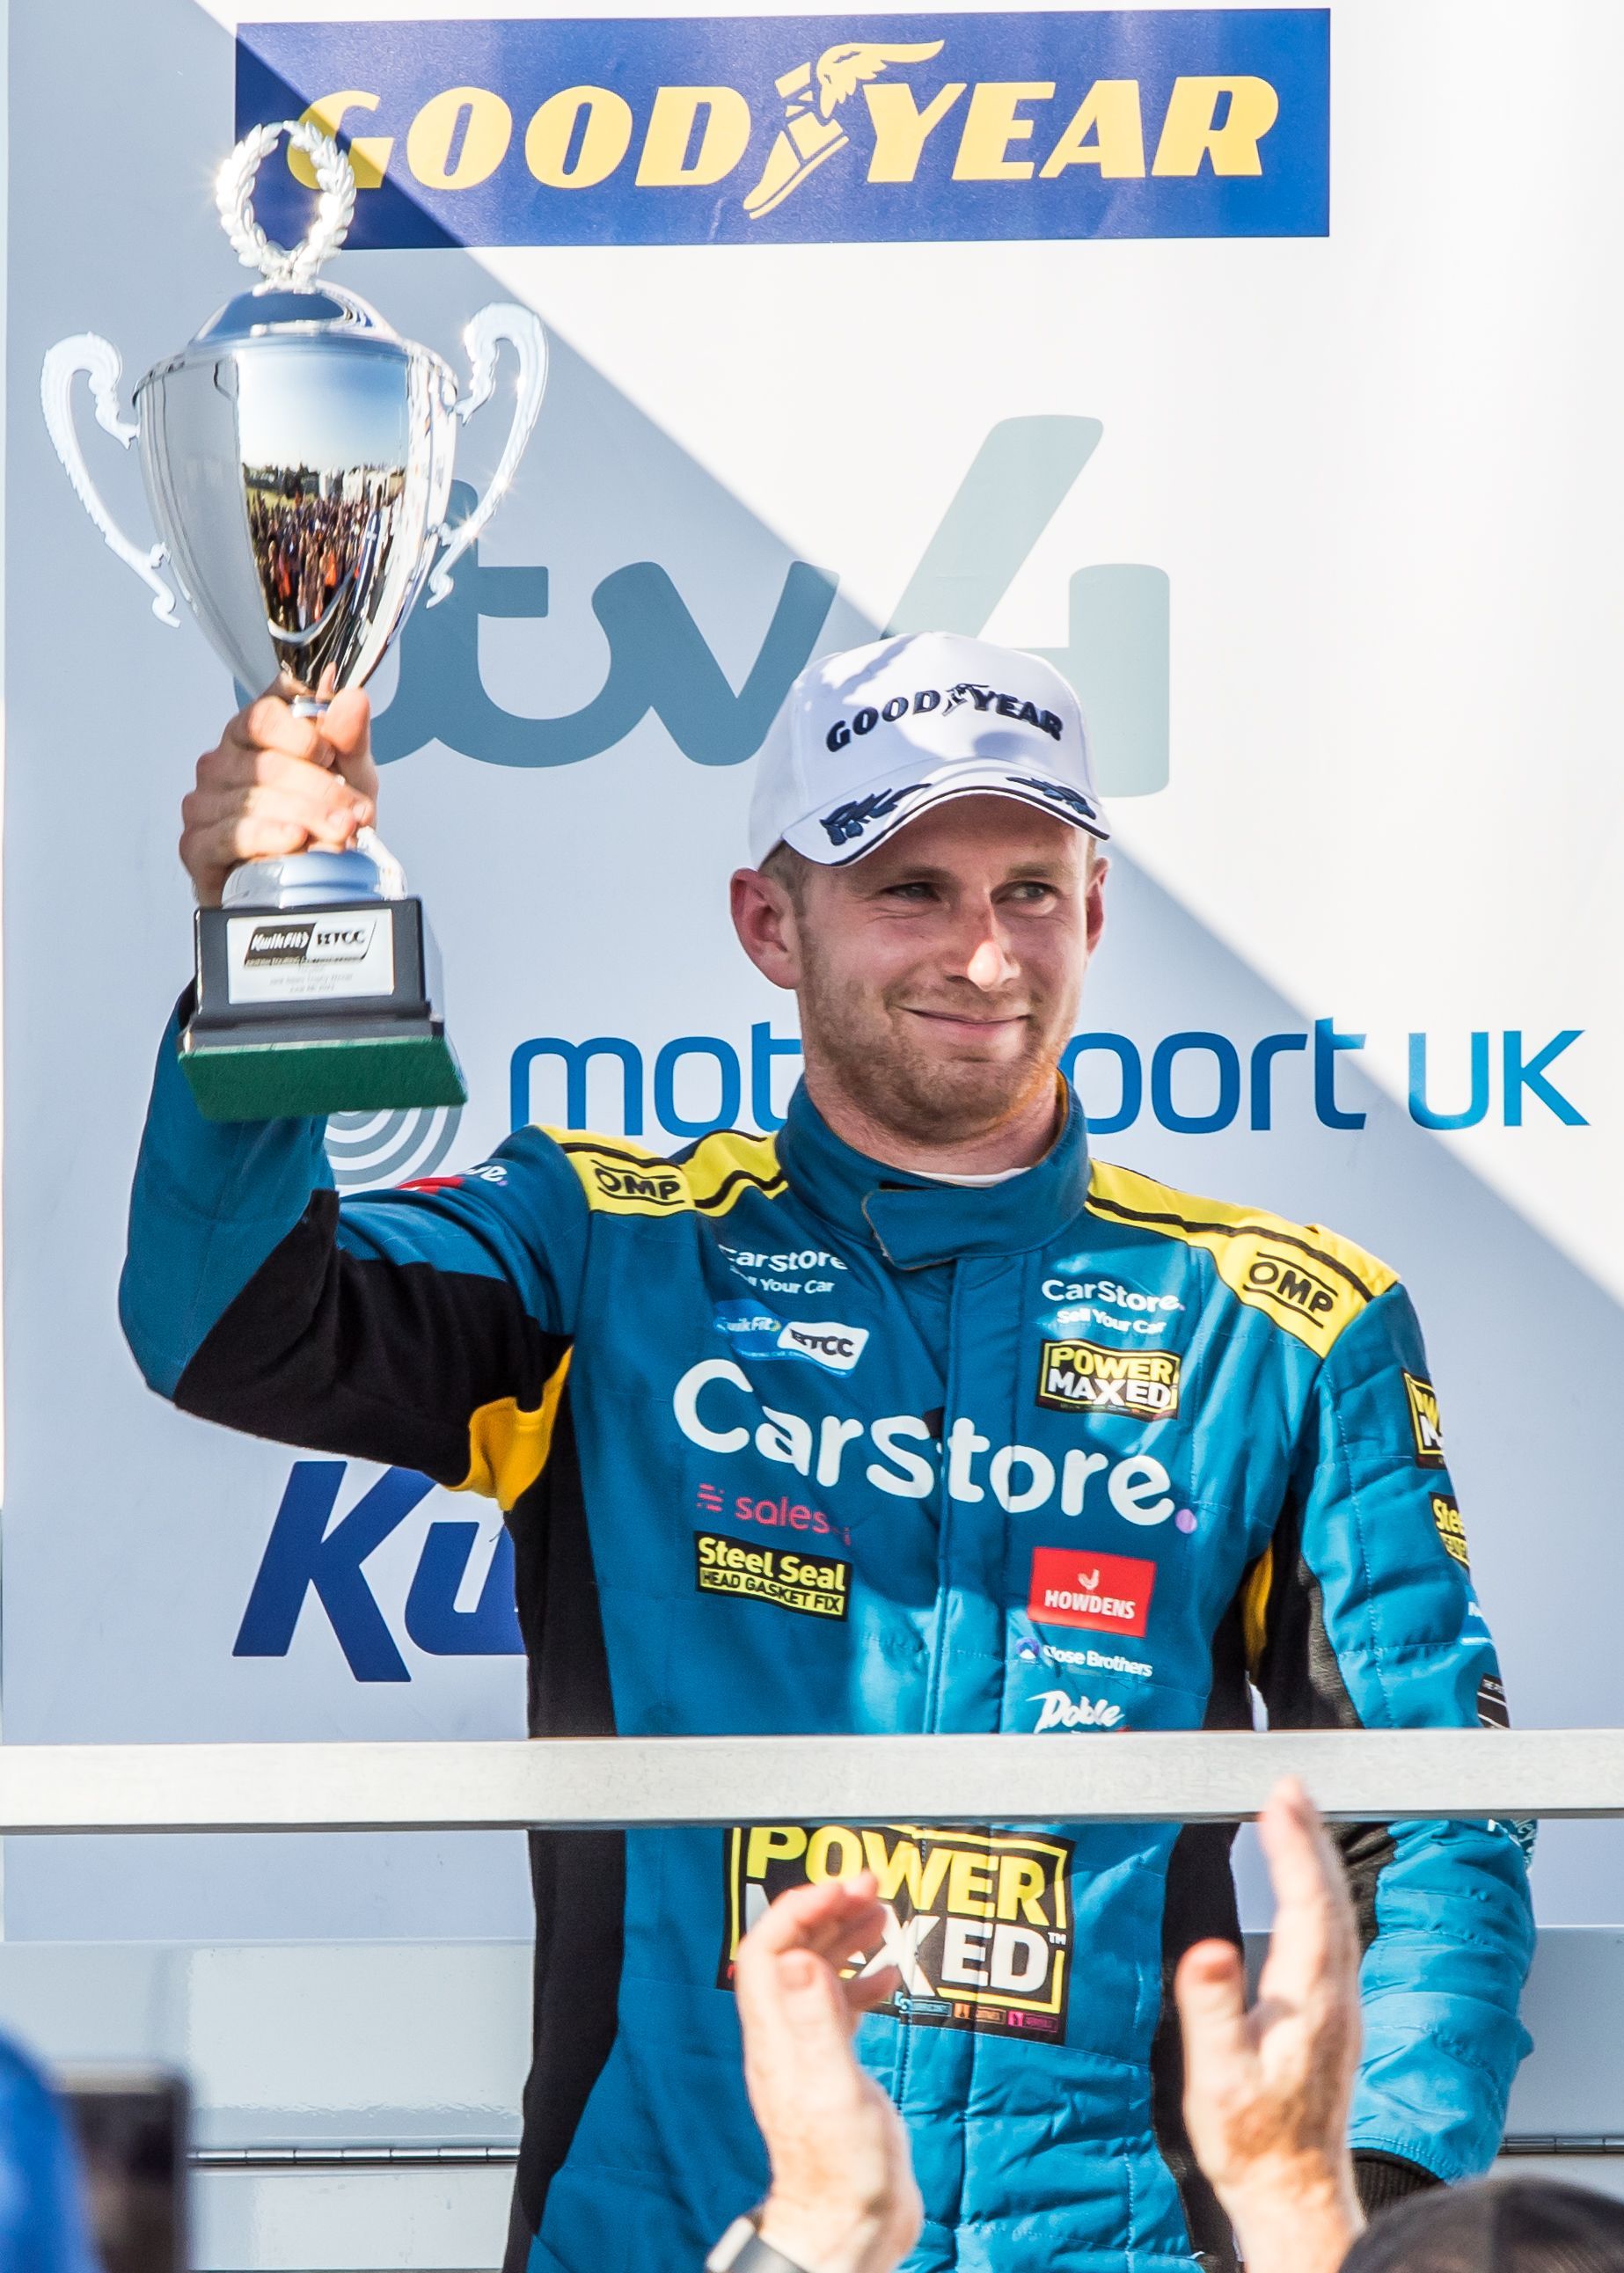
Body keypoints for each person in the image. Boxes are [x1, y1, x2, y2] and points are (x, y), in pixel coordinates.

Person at [121, 630, 1534, 2273]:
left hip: (1124, 2242)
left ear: (1092, 912)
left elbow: (1438, 1810)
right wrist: (271, 935)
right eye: (912, 888)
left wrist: (1372, 2207)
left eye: (1029, 886)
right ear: (769, 924)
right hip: (676, 2229)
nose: (985, 949)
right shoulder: (606, 1247)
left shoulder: (1286, 1322)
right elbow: (233, 1325)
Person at [723, 1782, 1624, 2273]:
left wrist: (1345, 2205)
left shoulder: (1253, 1431)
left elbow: (1440, 1801)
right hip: (680, 2194)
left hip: (1136, 2233)